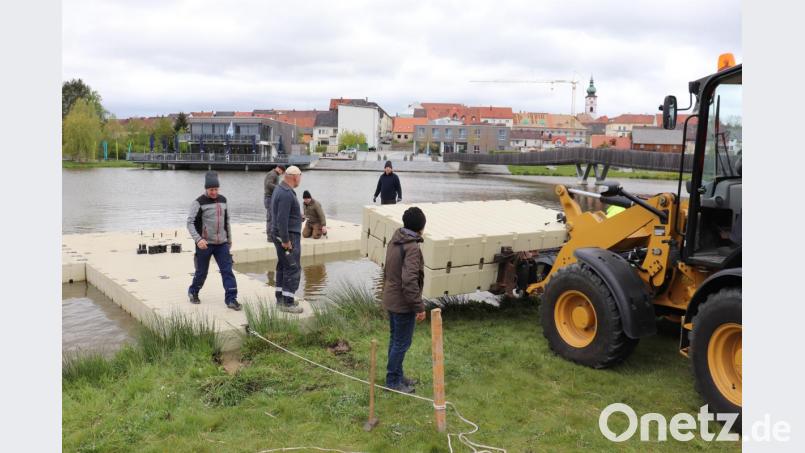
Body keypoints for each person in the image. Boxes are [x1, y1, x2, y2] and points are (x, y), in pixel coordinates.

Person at [382, 207, 427, 393]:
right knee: (401, 343)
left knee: (395, 340)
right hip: (402, 303)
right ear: (421, 227)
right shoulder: (412, 248)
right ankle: (393, 381)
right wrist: (419, 307)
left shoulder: (395, 240)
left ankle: (398, 375)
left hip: (391, 298)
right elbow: (409, 281)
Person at [187, 171, 241, 311]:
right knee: (201, 273)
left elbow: (226, 220)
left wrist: (229, 239)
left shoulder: (223, 200)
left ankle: (231, 299)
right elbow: (190, 223)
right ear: (206, 188)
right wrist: (198, 239)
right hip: (204, 244)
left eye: (216, 189)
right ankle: (193, 291)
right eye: (211, 190)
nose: (214, 192)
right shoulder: (198, 203)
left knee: (227, 271)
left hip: (221, 244)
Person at [270, 165, 304, 313]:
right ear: (295, 176)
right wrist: (285, 240)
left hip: (283, 233)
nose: (300, 179)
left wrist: (298, 217)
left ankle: (281, 298)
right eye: (300, 176)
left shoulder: (280, 189)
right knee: (292, 267)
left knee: (283, 266)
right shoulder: (286, 193)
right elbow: (282, 219)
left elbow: (282, 214)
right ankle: (287, 303)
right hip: (288, 236)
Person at [264, 165, 285, 241]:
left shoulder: (274, 174)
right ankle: (270, 237)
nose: (281, 174)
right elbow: (268, 184)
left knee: (273, 217)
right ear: (279, 169)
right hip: (269, 198)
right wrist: (279, 188)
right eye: (282, 172)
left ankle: (273, 235)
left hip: (271, 198)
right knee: (271, 218)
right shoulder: (272, 174)